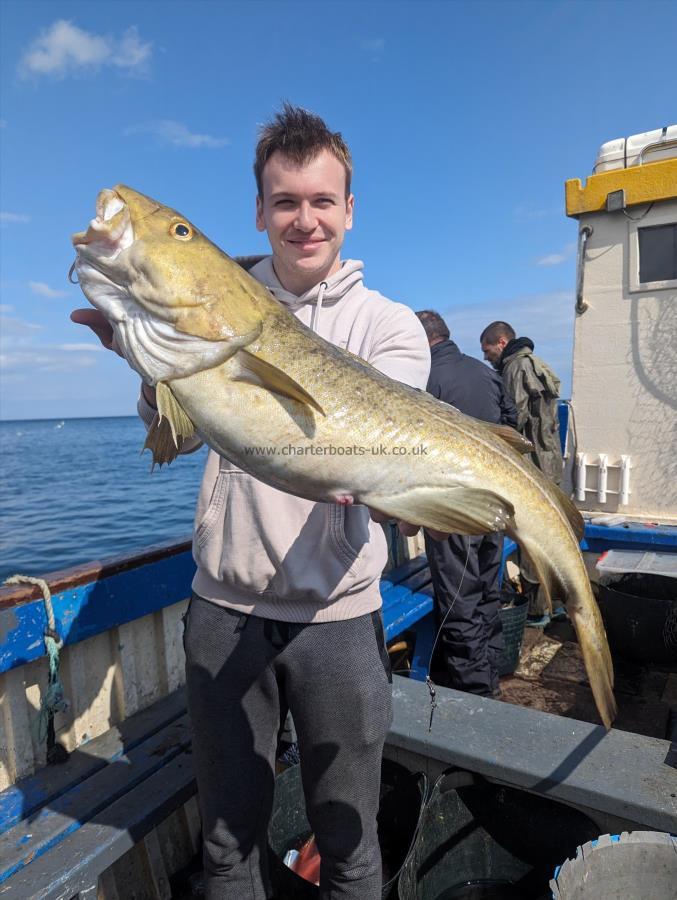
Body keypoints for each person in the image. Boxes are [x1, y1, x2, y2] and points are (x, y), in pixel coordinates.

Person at [72, 104, 431, 900]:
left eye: (321, 201)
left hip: (337, 615)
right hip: (222, 610)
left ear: (348, 210)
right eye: (284, 202)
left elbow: (380, 445)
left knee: (348, 841)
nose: (304, 221)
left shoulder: (389, 325)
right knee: (228, 841)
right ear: (261, 211)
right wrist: (150, 356)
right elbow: (179, 439)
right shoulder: (207, 302)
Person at [415, 310, 517, 698]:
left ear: (422, 340)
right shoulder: (485, 371)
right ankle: (492, 671)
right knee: (488, 591)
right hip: (492, 501)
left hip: (451, 508)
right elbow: (511, 420)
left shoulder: (424, 380)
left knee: (460, 601)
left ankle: (477, 695)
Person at [480, 321, 565, 624]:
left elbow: (513, 420)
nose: (486, 356)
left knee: (531, 538)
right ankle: (550, 604)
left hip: (535, 469)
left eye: (487, 349)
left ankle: (536, 609)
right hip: (551, 463)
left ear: (501, 343)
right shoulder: (537, 363)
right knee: (547, 536)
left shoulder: (515, 368)